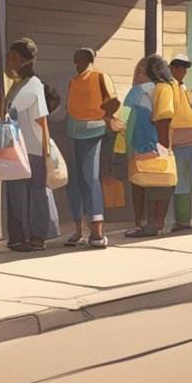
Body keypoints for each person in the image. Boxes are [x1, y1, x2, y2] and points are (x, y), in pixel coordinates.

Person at [4, 38, 58, 252]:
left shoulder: (32, 85)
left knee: (36, 192)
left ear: (25, 60)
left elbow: (40, 120)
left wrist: (45, 150)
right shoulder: (18, 84)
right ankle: (19, 236)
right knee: (18, 192)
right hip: (17, 147)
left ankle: (37, 236)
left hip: (32, 147)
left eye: (14, 57)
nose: (10, 61)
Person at [65, 48, 120, 246]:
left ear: (89, 60)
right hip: (73, 131)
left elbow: (113, 102)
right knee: (75, 181)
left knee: (90, 177)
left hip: (94, 131)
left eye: (81, 61)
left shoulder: (99, 76)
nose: (78, 65)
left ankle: (96, 230)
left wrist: (106, 117)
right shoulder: (74, 81)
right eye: (76, 61)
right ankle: (78, 229)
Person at [124, 55, 176, 237]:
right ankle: (158, 223)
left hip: (138, 143)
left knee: (139, 185)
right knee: (160, 183)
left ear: (142, 72)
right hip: (161, 143)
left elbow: (124, 117)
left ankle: (141, 223)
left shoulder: (136, 92)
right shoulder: (166, 89)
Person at [167, 55, 192, 233]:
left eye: (185, 68)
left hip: (188, 140)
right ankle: (184, 218)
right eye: (179, 68)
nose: (183, 71)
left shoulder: (181, 86)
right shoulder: (170, 86)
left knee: (187, 182)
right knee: (183, 182)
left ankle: (187, 218)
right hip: (179, 141)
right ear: (171, 68)